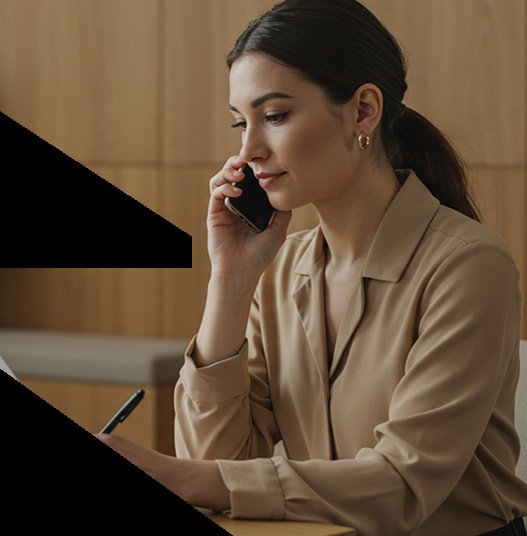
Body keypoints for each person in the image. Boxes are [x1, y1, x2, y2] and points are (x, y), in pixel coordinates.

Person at [98, 0, 527, 533]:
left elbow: (401, 485)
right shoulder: (280, 268)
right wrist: (230, 282)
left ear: (364, 110)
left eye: (274, 116)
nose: (248, 149)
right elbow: (226, 460)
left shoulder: (467, 266)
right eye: (240, 123)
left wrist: (183, 478)